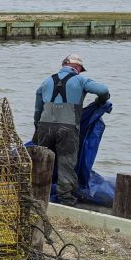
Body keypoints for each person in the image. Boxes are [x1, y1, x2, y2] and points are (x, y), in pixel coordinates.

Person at [33, 53, 110, 206]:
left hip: (44, 126)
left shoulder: (46, 81)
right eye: (80, 69)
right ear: (77, 67)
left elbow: (38, 108)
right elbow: (103, 90)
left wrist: (37, 125)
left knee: (42, 161)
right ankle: (66, 199)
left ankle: (37, 194)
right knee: (66, 163)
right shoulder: (80, 80)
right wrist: (101, 101)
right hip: (67, 128)